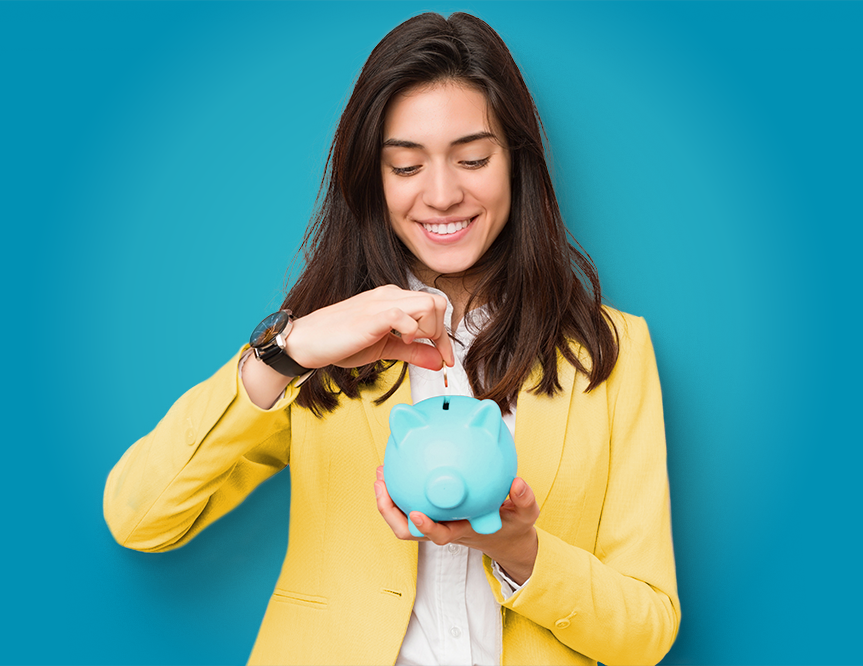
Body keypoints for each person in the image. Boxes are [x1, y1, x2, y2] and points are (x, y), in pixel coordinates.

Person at [104, 11, 680, 666]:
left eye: (471, 158)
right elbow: (140, 518)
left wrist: (520, 551)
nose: (441, 194)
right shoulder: (321, 342)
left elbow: (646, 632)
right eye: (406, 166)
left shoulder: (610, 351)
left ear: (516, 163)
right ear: (372, 181)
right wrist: (284, 353)